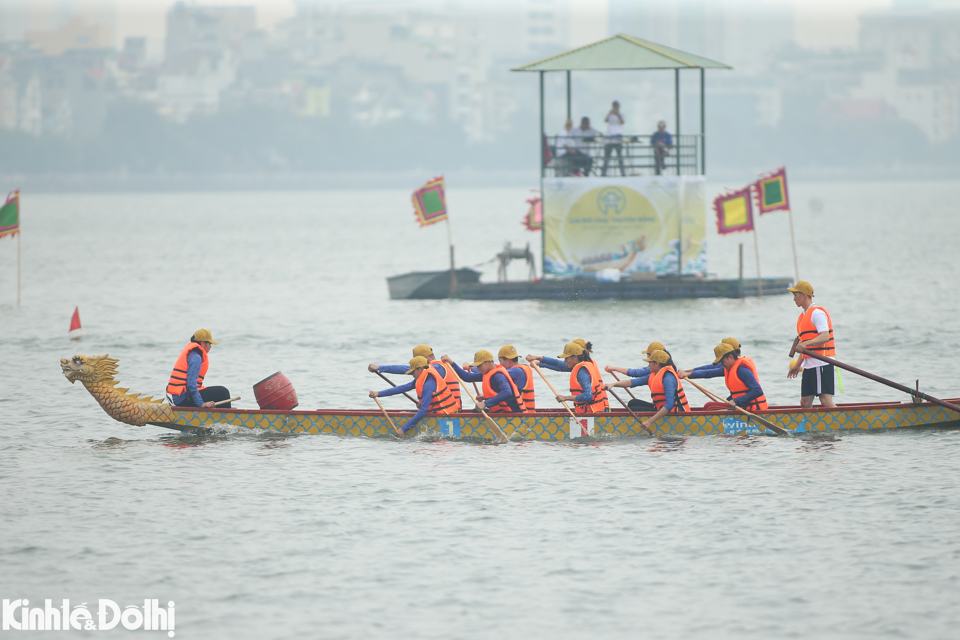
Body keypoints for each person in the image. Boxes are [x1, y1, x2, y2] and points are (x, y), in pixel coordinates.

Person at [369, 356, 457, 433]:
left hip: (445, 414)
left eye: (413, 372)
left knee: (407, 414)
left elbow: (423, 411)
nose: (412, 375)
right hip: (436, 411)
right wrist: (379, 394)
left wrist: (403, 430)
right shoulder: (423, 377)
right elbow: (402, 388)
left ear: (421, 368)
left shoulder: (429, 384)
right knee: (404, 413)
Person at [605, 349, 688, 431]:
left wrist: (649, 421)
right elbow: (632, 382)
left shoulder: (668, 379)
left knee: (633, 410)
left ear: (657, 364)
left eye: (649, 363)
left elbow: (669, 405)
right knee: (632, 403)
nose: (648, 366)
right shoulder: (655, 375)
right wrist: (613, 384)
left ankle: (632, 429)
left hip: (674, 412)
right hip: (659, 408)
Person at [787, 281, 837, 408]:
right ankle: (808, 427)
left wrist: (806, 343)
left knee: (825, 399)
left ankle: (844, 423)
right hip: (809, 365)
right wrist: (797, 365)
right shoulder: (802, 316)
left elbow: (825, 336)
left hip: (822, 363)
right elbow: (806, 346)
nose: (794, 299)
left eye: (795, 295)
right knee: (805, 402)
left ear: (804, 295)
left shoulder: (817, 313)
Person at [369, 345, 462, 411]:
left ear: (426, 358)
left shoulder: (438, 368)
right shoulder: (431, 373)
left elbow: (406, 369)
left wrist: (380, 368)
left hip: (449, 411)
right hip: (446, 409)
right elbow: (405, 387)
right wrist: (379, 394)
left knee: (407, 413)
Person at [527, 338, 608, 410]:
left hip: (594, 411)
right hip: (598, 408)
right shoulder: (585, 364)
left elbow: (588, 395)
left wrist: (565, 398)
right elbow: (560, 366)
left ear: (577, 355)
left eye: (567, 358)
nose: (565, 361)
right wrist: (540, 362)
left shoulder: (583, 371)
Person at [688, 343, 768, 412]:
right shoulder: (728, 369)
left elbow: (758, 391)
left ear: (730, 357)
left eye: (722, 362)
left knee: (709, 407)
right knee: (709, 406)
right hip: (742, 407)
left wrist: (736, 401)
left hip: (752, 409)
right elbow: (708, 373)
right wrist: (689, 374)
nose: (722, 365)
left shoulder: (742, 370)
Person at [441, 350, 525, 413]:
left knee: (477, 411)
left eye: (479, 365)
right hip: (501, 412)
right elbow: (467, 377)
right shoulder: (487, 373)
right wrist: (452, 363)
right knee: (475, 411)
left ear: (489, 362)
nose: (478, 369)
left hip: (513, 414)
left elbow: (507, 392)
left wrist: (485, 403)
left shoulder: (498, 375)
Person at [166, 328, 232, 408]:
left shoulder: (192, 353)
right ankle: (227, 419)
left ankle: (215, 417)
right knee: (223, 392)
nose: (210, 347)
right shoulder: (196, 357)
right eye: (210, 344)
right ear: (203, 343)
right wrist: (201, 404)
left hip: (180, 397)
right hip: (184, 398)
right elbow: (191, 383)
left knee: (218, 394)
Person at [605, 341, 668, 411]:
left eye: (648, 355)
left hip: (666, 410)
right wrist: (613, 383)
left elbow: (635, 373)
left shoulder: (667, 375)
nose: (647, 360)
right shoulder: (654, 372)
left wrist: (614, 369)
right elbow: (634, 380)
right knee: (632, 403)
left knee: (632, 409)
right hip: (659, 406)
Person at [602, 100, 626, 177]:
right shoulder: (610, 115)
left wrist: (618, 115)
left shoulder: (621, 114)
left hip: (618, 135)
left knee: (619, 156)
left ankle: (622, 172)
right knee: (607, 156)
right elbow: (605, 120)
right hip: (610, 136)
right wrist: (610, 113)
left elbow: (622, 122)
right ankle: (604, 172)